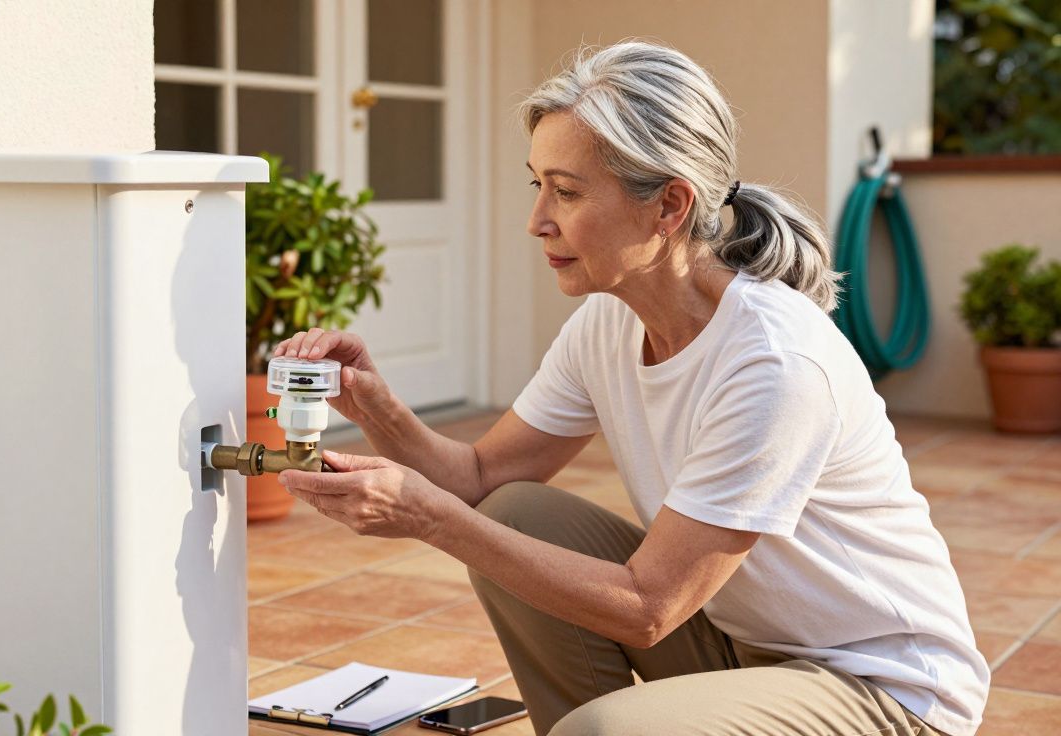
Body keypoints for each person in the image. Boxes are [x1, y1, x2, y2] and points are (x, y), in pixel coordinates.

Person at [275, 40, 988, 736]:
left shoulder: (774, 362)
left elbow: (649, 607)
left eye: (568, 192)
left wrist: (432, 520)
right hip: (739, 648)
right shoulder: (608, 322)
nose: (537, 220)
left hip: (883, 691)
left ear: (669, 205)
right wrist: (374, 402)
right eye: (538, 185)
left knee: (610, 728)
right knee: (515, 510)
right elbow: (481, 475)